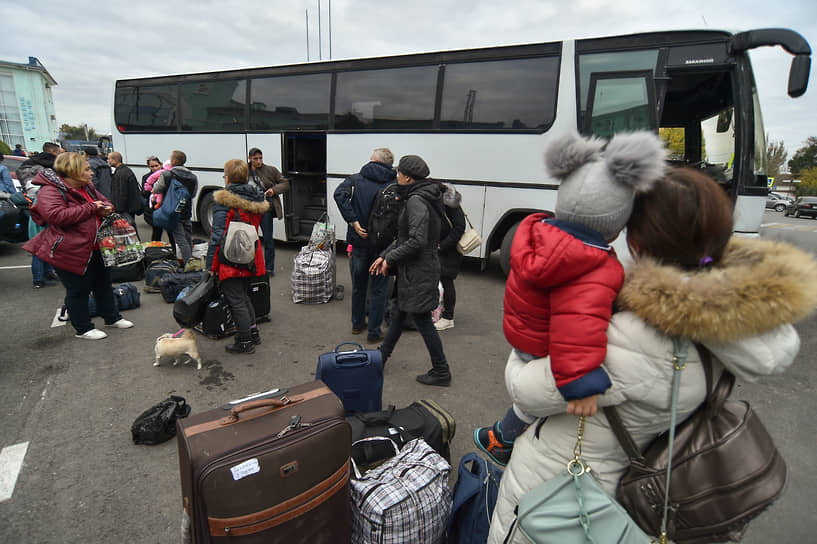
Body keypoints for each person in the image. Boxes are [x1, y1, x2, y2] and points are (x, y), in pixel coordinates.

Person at [487, 166, 817, 543]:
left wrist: (523, 353)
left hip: (566, 495)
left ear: (638, 244)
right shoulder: (730, 325)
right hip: (627, 483)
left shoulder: (637, 338)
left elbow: (527, 391)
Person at [474, 131, 665, 466]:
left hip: (522, 335)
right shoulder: (593, 268)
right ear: (616, 226)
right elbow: (577, 330)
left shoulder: (536, 236)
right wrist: (581, 384)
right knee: (532, 405)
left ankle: (501, 434)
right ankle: (502, 437)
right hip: (544, 348)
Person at [22, 152, 134, 340]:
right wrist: (92, 208)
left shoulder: (87, 187)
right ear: (73, 171)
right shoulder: (50, 190)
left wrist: (107, 207)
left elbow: (105, 201)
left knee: (103, 285)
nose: (91, 173)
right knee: (78, 290)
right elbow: (56, 216)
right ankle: (83, 328)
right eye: (87, 169)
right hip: (70, 249)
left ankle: (112, 317)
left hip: (96, 247)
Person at [369, 155, 452, 386]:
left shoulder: (416, 200)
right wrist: (384, 255)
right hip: (415, 270)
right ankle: (381, 358)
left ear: (407, 177)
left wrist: (390, 259)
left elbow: (416, 240)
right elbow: (404, 237)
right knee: (399, 315)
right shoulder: (423, 194)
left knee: (422, 320)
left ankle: (441, 370)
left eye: (398, 174)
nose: (396, 177)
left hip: (419, 271)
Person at [206, 159, 269, 354]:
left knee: (235, 299)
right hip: (249, 254)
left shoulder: (224, 201)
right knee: (243, 296)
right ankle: (252, 332)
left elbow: (217, 236)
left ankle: (244, 341)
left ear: (228, 177)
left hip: (230, 256)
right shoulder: (256, 199)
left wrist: (210, 265)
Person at [333, 148, 397, 342]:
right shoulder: (395, 183)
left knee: (358, 286)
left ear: (374, 160)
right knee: (379, 290)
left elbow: (339, 195)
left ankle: (357, 324)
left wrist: (353, 221)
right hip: (382, 247)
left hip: (359, 242)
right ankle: (374, 332)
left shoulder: (355, 179)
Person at [247, 147, 290, 275]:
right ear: (250, 158)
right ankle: (251, 266)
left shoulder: (270, 170)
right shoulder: (243, 171)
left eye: (260, 158)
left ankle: (269, 268)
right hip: (249, 209)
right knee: (249, 239)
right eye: (256, 159)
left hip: (265, 208)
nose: (259, 161)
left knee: (268, 239)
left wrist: (274, 190)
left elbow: (285, 183)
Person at [152, 150, 198, 262]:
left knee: (180, 239)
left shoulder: (167, 174)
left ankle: (189, 263)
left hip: (172, 210)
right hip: (186, 210)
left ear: (174, 161)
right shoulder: (193, 177)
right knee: (187, 237)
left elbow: (156, 189)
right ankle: (191, 260)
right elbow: (193, 194)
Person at [434, 182, 466, 331]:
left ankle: (448, 317)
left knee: (446, 281)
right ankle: (438, 312)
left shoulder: (450, 203)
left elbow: (459, 226)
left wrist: (443, 245)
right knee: (439, 281)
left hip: (449, 250)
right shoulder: (438, 201)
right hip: (440, 248)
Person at [108, 152, 143, 227]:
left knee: (128, 228)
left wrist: (118, 209)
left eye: (109, 159)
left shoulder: (120, 174)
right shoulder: (126, 170)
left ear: (115, 160)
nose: (108, 161)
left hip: (125, 209)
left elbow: (121, 193)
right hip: (130, 207)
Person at [141, 156, 168, 242]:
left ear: (161, 164)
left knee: (171, 231)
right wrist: (152, 191)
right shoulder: (147, 177)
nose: (155, 168)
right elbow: (144, 192)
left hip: (166, 205)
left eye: (156, 165)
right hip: (154, 207)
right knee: (156, 231)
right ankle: (156, 250)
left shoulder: (167, 174)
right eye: (152, 166)